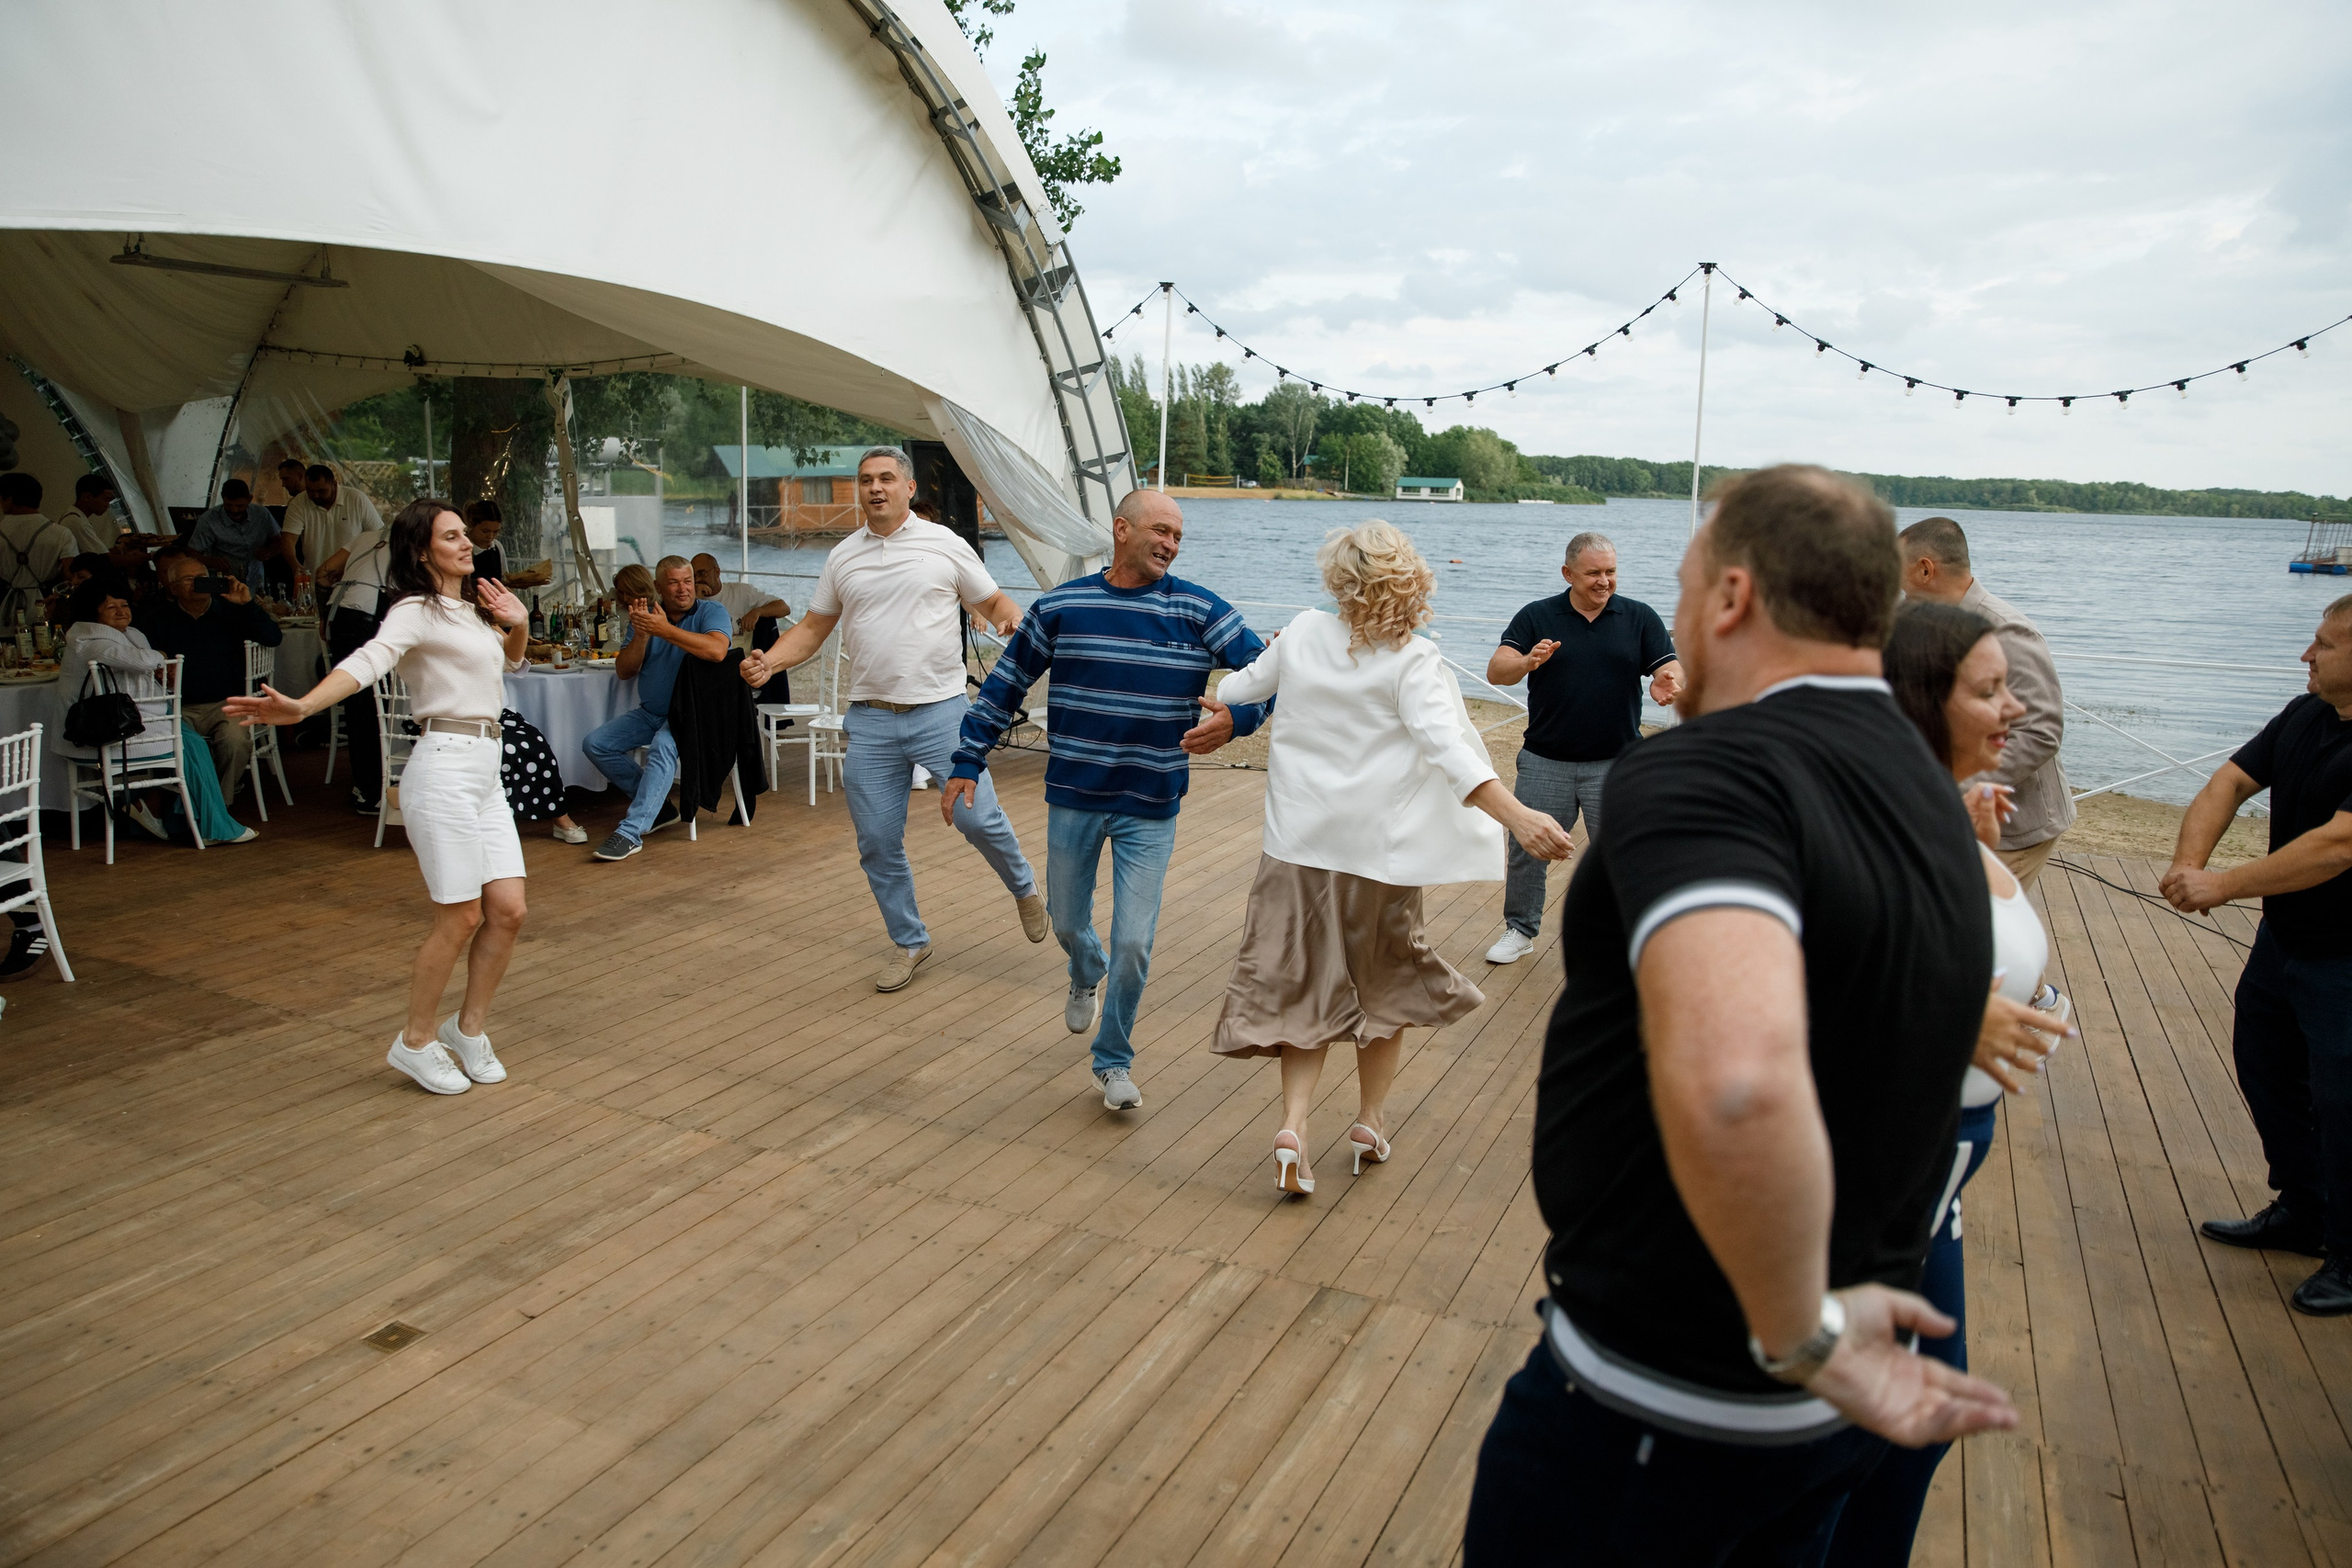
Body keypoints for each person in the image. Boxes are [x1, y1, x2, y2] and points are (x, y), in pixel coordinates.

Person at [1462, 466, 2018, 1565]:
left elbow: (1740, 1080)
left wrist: (1798, 1332)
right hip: (1814, 1432)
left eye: (1677, 588)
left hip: (1664, 1411)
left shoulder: (1712, 777)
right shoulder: (1926, 789)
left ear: (1728, 601)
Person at [1824, 601, 2076, 1566]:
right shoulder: (1867, 831)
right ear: (1916, 702)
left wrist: (1965, 827)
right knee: (1854, 1436)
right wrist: (1939, 1015)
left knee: (1921, 1414)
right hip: (1883, 1172)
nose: (2014, 708)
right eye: (1988, 690)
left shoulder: (1933, 810)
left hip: (1944, 1171)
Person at [1209, 521, 1572, 1192]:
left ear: (1338, 577)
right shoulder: (1413, 658)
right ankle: (1370, 1121)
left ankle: (1294, 1125)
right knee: (1383, 989)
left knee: (1302, 987)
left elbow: (1243, 687)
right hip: (1378, 857)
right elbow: (1450, 750)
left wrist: (1219, 701)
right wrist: (1518, 816)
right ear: (1408, 579)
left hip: (1296, 846)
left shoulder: (1302, 632)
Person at [944, 489, 1271, 1110]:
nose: (1172, 544)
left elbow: (1267, 666)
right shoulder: (1063, 605)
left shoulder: (1199, 607)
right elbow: (1007, 682)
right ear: (1122, 530)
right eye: (1162, 530)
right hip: (1075, 793)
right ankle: (1082, 967)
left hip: (1152, 800)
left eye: (1179, 535)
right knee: (1067, 921)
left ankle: (1113, 1059)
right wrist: (968, 756)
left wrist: (1240, 717)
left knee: (1137, 941)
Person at [226, 497, 533, 1096]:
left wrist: (516, 621)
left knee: (510, 911)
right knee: (462, 914)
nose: (468, 542)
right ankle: (415, 1041)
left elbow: (511, 662)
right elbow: (368, 660)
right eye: (452, 536)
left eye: (466, 534)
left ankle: (467, 1030)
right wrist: (302, 707)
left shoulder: (470, 609)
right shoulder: (415, 609)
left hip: (484, 771)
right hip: (442, 767)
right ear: (423, 552)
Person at [739, 446, 1043, 988]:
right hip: (871, 721)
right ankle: (910, 941)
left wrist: (1010, 618)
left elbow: (993, 603)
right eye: (864, 481)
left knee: (976, 819)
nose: (874, 488)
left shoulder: (944, 544)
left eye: (885, 479)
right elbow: (811, 629)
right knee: (877, 843)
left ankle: (1023, 888)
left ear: (907, 488)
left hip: (942, 714)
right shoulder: (843, 558)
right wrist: (769, 661)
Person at [2166, 593, 2352, 1314]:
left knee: (2345, 1102)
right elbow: (2231, 781)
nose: (2306, 655)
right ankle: (2304, 1210)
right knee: (2265, 1063)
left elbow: (2338, 845)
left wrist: (2222, 885)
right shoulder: (2305, 715)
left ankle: (2350, 1253)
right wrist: (2189, 866)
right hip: (2285, 942)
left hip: (2344, 960)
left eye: (2323, 645)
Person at [1481, 529, 1682, 964]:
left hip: (1615, 763)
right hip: (1545, 761)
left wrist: (1668, 681)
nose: (1604, 581)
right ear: (1568, 573)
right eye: (1593, 573)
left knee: (1623, 851)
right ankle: (1520, 930)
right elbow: (1498, 671)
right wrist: (1527, 661)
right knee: (1527, 850)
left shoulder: (1639, 617)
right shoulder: (1537, 615)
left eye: (1610, 571)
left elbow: (1667, 665)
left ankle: (1629, 933)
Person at [1900, 514, 2074, 891]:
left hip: (2015, 827)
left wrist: (1957, 788)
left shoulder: (2006, 630)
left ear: (1925, 570)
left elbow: (2042, 732)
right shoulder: (1924, 623)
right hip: (1955, 817)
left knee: (1978, 930)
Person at [53, 580, 254, 846]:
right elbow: (143, 660)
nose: (121, 611)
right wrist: (159, 654)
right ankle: (209, 825)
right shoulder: (88, 639)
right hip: (101, 731)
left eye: (124, 605)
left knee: (193, 746)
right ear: (94, 614)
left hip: (136, 720)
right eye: (110, 607)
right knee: (192, 748)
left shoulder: (131, 634)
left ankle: (190, 820)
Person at [583, 555, 732, 861]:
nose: (683, 589)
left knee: (662, 748)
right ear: (658, 587)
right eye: (674, 582)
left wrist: (665, 631)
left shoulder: (711, 611)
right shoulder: (647, 617)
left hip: (692, 716)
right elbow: (625, 670)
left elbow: (717, 651)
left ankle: (630, 832)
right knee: (596, 744)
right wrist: (640, 635)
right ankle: (659, 807)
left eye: (688, 581)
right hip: (651, 713)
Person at [137, 551, 283, 805]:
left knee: (236, 743)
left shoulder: (232, 611)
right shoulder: (158, 619)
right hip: (179, 706)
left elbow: (273, 638)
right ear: (172, 588)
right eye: (187, 579)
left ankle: (218, 805)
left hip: (226, 704)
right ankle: (189, 803)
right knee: (167, 744)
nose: (196, 583)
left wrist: (247, 603)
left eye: (202, 577)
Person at [316, 520, 396, 813]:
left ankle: (367, 785)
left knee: (360, 706)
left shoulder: (368, 537)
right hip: (363, 621)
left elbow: (323, 572)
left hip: (340, 616)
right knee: (371, 708)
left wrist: (324, 616)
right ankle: (371, 790)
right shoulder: (414, 543)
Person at [281, 463, 382, 577]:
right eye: (310, 490)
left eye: (321, 491)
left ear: (334, 484)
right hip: (316, 580)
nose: (315, 495)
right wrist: (295, 566)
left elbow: (378, 537)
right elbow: (288, 539)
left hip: (352, 578)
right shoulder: (299, 502)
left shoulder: (357, 499)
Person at [0, 471, 73, 618]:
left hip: (3, 606)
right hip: (47, 606)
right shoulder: (61, 533)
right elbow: (70, 576)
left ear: (9, 499)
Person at [187, 479, 281, 592]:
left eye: (240, 505)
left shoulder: (262, 514)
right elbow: (191, 554)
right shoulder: (209, 520)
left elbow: (279, 541)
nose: (234, 510)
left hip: (256, 582)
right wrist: (212, 562)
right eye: (229, 505)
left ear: (249, 499)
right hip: (222, 585)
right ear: (223, 498)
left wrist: (269, 552)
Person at [463, 499, 550, 589]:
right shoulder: (464, 547)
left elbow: (502, 580)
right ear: (472, 524)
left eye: (496, 532)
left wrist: (515, 583)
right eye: (485, 531)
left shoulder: (497, 547)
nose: (490, 536)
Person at [59, 474, 124, 556]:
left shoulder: (74, 517)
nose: (108, 505)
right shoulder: (77, 522)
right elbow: (103, 559)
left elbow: (99, 555)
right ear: (87, 497)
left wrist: (122, 547)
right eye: (106, 499)